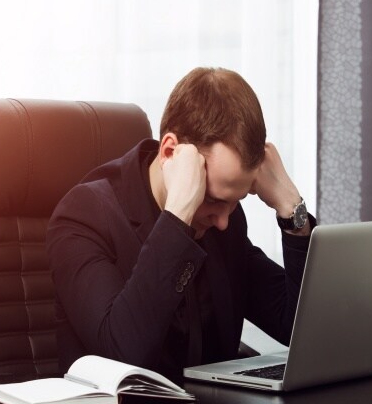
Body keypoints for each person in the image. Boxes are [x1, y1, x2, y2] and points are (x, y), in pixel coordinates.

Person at [46, 67, 316, 382]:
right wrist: (178, 216)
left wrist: (292, 212)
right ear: (171, 152)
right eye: (213, 199)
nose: (224, 221)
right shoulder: (83, 216)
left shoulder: (221, 220)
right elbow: (122, 356)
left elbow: (298, 327)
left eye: (235, 201)